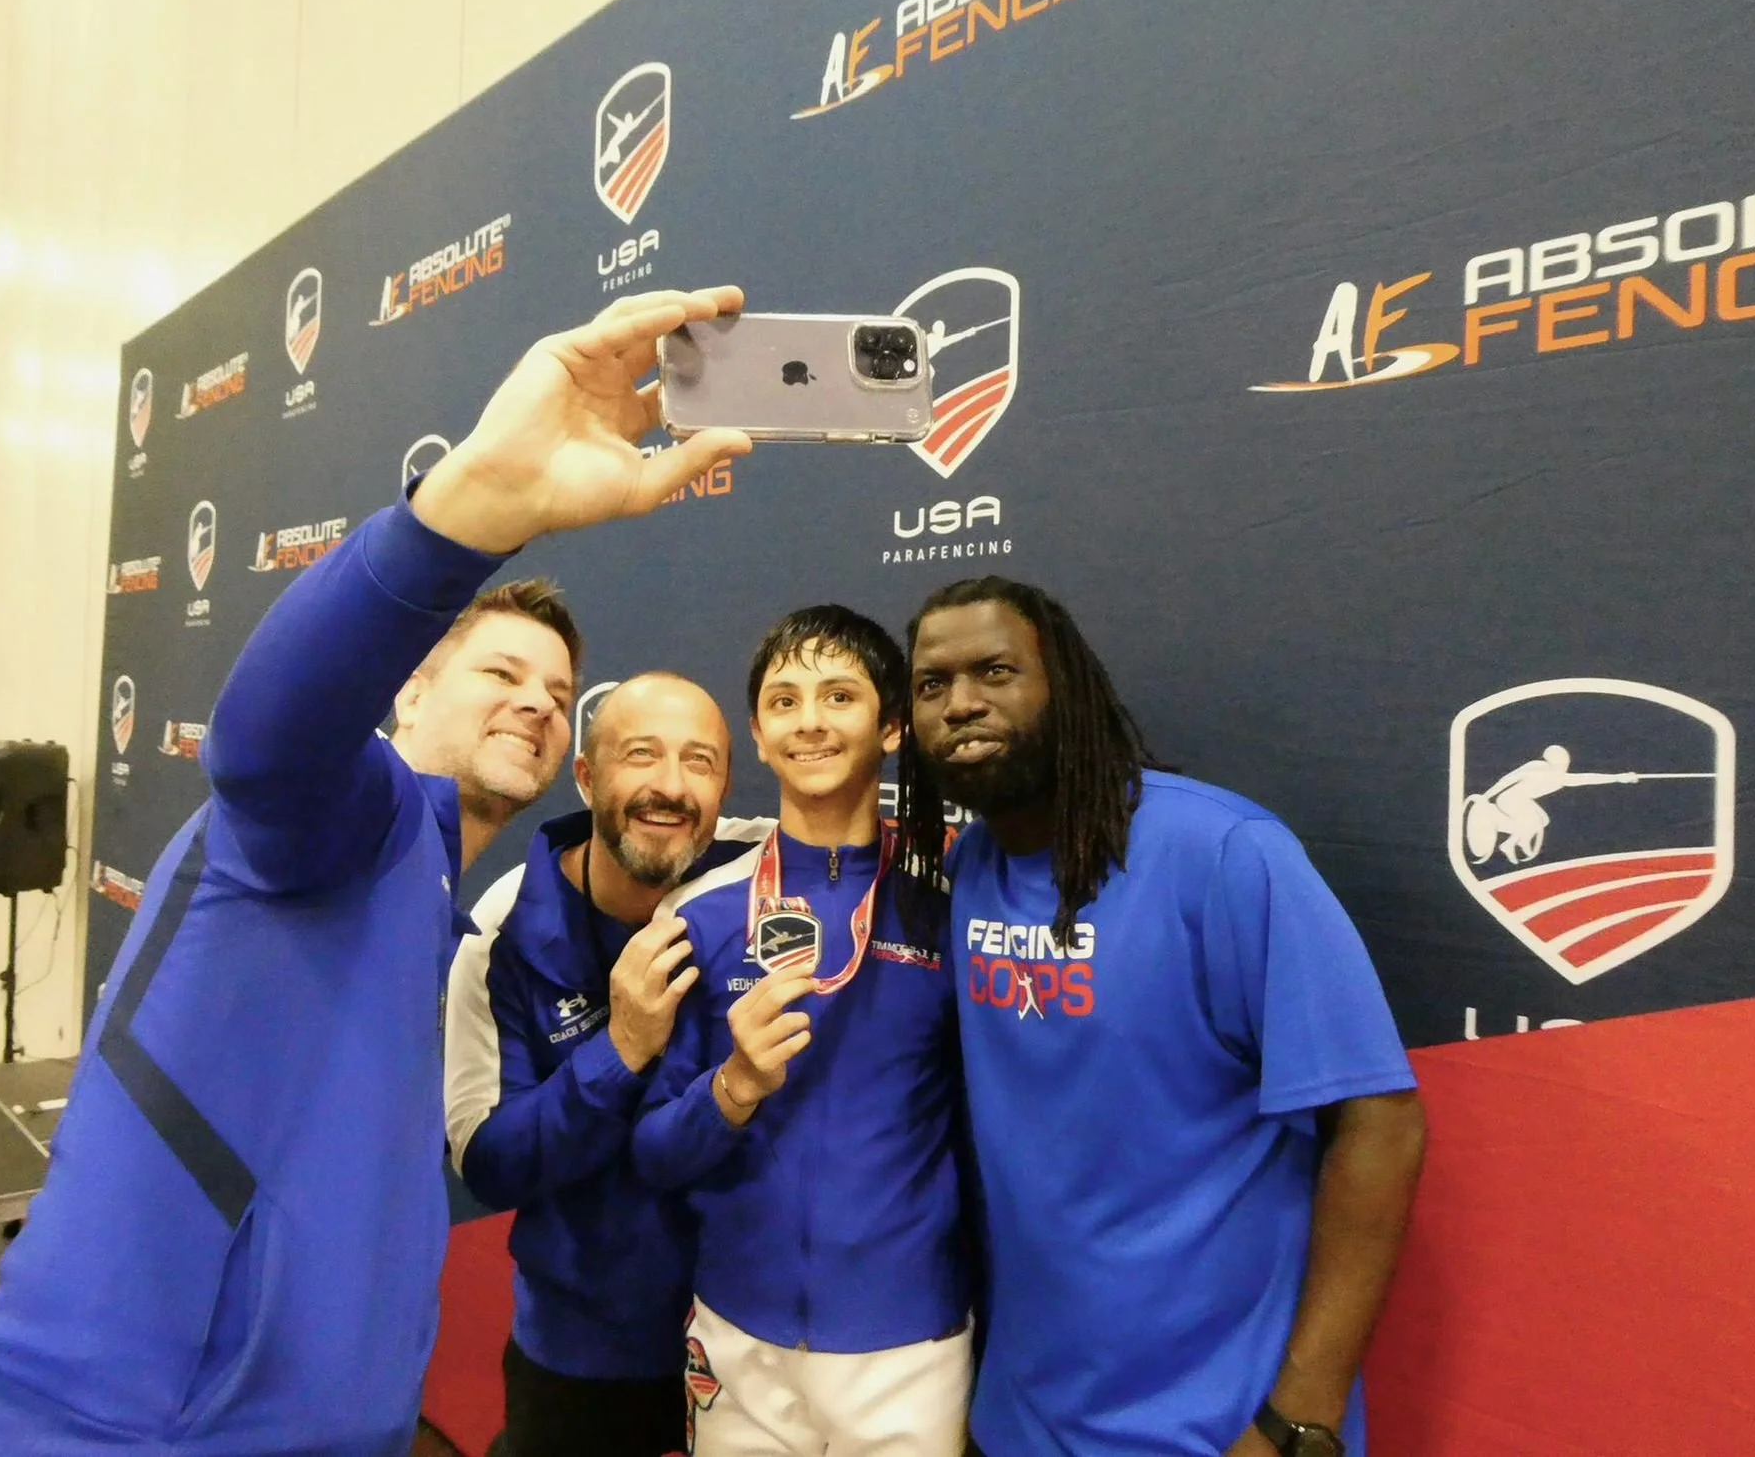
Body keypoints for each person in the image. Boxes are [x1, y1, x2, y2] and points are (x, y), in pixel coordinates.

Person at [0, 287, 753, 1457]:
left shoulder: (429, 899)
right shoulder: (349, 817)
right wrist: (464, 517)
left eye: (559, 697)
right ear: (408, 688)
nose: (535, 703)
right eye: (500, 673)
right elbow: (263, 739)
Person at [897, 576, 1428, 1457]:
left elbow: (1382, 1124)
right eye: (930, 684)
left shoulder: (1221, 853)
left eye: (995, 671)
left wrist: (1302, 1417)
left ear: (1064, 687)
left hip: (1215, 1427)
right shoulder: (971, 867)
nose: (960, 705)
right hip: (1021, 1418)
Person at [633, 606, 970, 1457]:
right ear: (758, 732)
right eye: (784, 701)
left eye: (839, 696)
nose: (810, 720)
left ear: (892, 725)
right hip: (738, 1334)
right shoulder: (701, 919)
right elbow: (655, 1156)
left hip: (909, 1343)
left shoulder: (952, 913)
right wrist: (732, 1088)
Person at [444, 673, 772, 1457]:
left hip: (750, 1342)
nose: (670, 786)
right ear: (588, 776)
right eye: (640, 756)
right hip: (583, 1354)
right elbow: (488, 1165)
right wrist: (619, 1050)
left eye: (699, 762)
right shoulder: (503, 929)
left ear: (725, 786)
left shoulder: (771, 871)